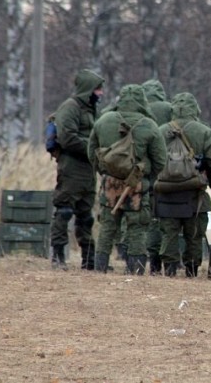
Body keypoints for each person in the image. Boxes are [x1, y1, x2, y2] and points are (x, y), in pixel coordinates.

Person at [88, 84, 167, 274]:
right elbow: (160, 160)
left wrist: (104, 172)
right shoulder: (149, 125)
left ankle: (100, 268)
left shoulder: (104, 120)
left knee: (107, 226)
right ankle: (136, 271)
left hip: (110, 183)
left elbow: (91, 151)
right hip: (137, 186)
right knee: (137, 228)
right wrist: (147, 178)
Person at [156, 92, 211, 277]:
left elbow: (153, 160)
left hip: (166, 193)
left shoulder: (161, 131)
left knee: (168, 233)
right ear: (195, 109)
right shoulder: (203, 131)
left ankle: (169, 269)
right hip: (194, 194)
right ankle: (192, 270)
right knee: (194, 235)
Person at [49, 69, 104, 270]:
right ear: (88, 89)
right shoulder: (70, 108)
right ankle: (57, 257)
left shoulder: (91, 110)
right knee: (64, 211)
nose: (101, 93)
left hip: (88, 170)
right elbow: (67, 138)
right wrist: (93, 150)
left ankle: (88, 260)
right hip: (71, 167)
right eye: (98, 89)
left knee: (86, 216)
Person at [141, 79, 174, 275]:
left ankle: (153, 263)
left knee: (151, 218)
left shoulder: (142, 111)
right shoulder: (170, 109)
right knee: (169, 220)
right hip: (171, 172)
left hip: (146, 171)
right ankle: (171, 262)